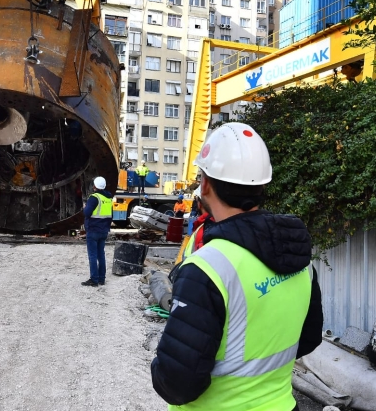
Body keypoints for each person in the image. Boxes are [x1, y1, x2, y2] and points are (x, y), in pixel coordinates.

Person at [151, 122, 324, 410]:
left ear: (206, 184)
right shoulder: (299, 258)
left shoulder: (206, 269)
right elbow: (308, 339)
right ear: (262, 186)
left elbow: (177, 384)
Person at [81, 176, 113, 287]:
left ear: (94, 186)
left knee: (93, 255)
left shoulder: (94, 198)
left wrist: (85, 207)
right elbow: (111, 216)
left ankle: (94, 280)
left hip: (93, 230)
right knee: (101, 255)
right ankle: (101, 279)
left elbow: (87, 213)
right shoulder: (108, 198)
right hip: (103, 231)